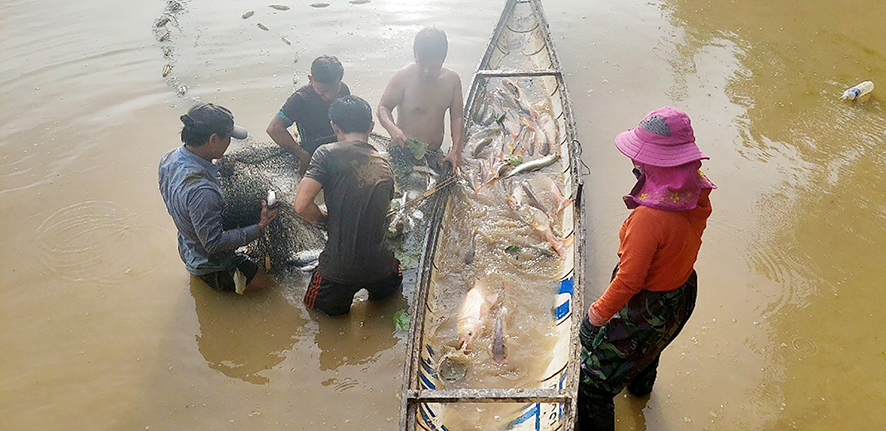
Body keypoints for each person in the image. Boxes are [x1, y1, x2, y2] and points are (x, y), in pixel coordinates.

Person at [577, 106, 716, 431]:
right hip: (680, 295)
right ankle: (640, 396)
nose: (635, 164)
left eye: (641, 160)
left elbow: (628, 281)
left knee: (593, 382)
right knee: (647, 352)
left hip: (646, 307)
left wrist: (594, 318)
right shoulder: (696, 190)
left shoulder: (649, 219)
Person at [294, 95, 402, 316]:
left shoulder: (326, 153)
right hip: (383, 270)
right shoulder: (384, 162)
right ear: (371, 127)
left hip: (337, 271)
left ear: (334, 125)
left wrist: (325, 220)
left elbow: (301, 205)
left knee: (315, 316)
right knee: (385, 310)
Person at [159, 102, 279, 294]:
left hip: (187, 246)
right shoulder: (202, 192)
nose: (230, 142)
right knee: (271, 289)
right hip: (212, 264)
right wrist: (260, 227)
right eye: (228, 138)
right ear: (213, 139)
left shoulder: (170, 158)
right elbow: (213, 243)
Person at [378, 27, 465, 169]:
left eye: (433, 66)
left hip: (433, 152)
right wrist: (393, 129)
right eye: (422, 64)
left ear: (443, 59)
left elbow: (457, 117)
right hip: (404, 150)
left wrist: (456, 150)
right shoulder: (403, 77)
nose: (427, 71)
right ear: (415, 56)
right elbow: (383, 107)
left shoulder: (452, 81)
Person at [267, 55, 351, 174]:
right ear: (311, 79)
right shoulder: (300, 99)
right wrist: (301, 154)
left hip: (338, 144)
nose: (330, 97)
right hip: (313, 149)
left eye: (334, 91)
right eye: (322, 91)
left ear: (340, 81)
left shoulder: (344, 90)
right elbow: (274, 128)